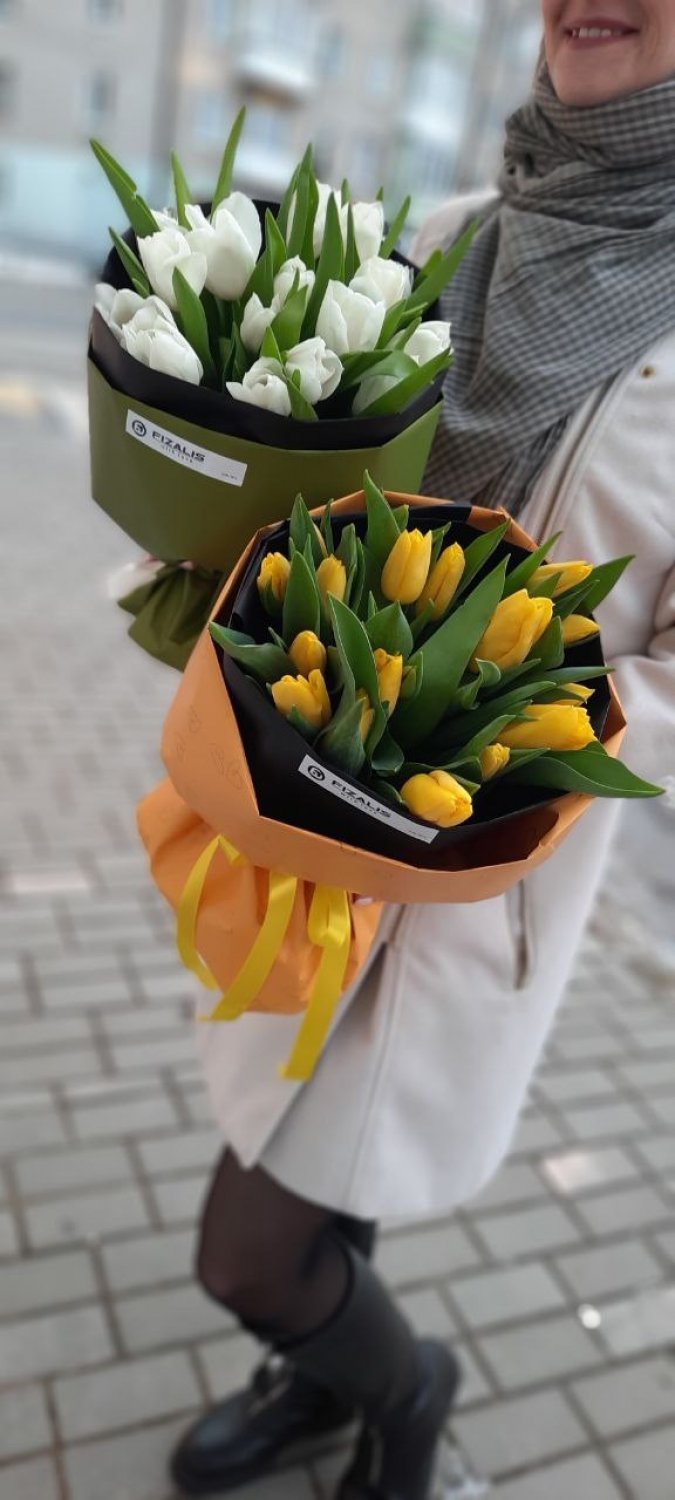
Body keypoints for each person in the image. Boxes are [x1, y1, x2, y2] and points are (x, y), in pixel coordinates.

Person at [171, 5, 675, 1496]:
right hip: (304, 821)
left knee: (251, 1247)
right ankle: (320, 1379)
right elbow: (310, 493)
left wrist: (489, 722)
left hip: (473, 869)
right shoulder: (451, 238)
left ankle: (407, 1392)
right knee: (316, 1167)